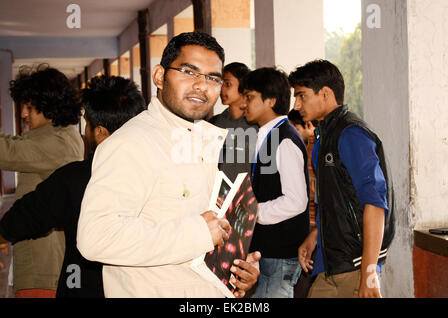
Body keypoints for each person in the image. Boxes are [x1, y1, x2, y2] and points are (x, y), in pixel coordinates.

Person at [77, 32, 260, 298]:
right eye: (189, 71)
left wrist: (234, 272)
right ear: (160, 76)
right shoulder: (131, 143)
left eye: (213, 78)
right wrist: (197, 232)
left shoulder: (207, 140)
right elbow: (96, 237)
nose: (201, 85)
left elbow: (208, 229)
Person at [0, 75, 146, 297]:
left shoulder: (77, 175)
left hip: (73, 280)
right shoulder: (159, 175)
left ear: (100, 134)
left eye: (87, 123)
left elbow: (28, 214)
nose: (24, 114)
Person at [290, 59, 395, 298]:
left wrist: (369, 275)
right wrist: (317, 235)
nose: (296, 105)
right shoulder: (324, 137)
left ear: (325, 94)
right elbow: (340, 202)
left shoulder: (351, 134)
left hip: (355, 267)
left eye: (302, 96)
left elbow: (375, 204)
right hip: (330, 266)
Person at [0, 65, 84, 298]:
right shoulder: (55, 137)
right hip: (43, 260)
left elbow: (8, 151)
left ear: (49, 106)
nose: (24, 114)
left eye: (29, 107)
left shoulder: (58, 142)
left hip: (45, 265)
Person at [240, 67, 310, 298]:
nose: (244, 104)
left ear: (270, 100)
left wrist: (253, 213)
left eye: (249, 97)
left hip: (281, 252)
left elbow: (296, 201)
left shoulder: (285, 139)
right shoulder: (268, 135)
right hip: (268, 249)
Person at [209, 62, 258, 181]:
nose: (221, 88)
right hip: (218, 195)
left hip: (247, 196)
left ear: (243, 86)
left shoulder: (257, 126)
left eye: (227, 84)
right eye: (220, 83)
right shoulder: (214, 124)